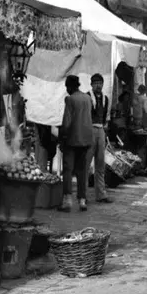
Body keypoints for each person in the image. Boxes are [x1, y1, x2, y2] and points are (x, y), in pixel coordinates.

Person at [59, 75, 94, 212]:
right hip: (86, 139)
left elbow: (67, 122)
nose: (66, 90)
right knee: (81, 171)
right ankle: (82, 200)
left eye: (67, 87)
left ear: (70, 86)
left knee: (68, 170)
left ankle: (67, 200)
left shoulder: (70, 99)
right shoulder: (87, 98)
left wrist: (62, 137)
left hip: (72, 139)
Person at [85, 74, 113, 206]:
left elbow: (105, 118)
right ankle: (82, 195)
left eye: (100, 83)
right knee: (85, 164)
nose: (98, 85)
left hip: (100, 130)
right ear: (91, 84)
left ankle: (101, 194)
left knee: (100, 164)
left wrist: (104, 134)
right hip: (89, 130)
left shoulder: (105, 99)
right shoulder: (87, 97)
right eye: (95, 83)